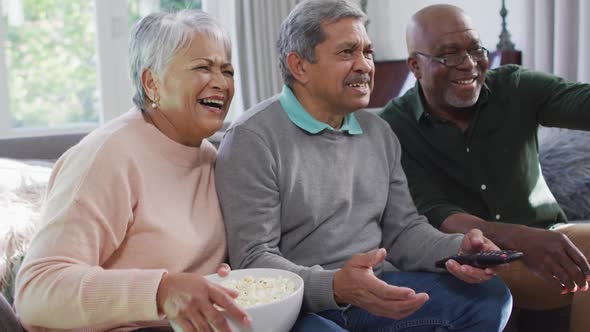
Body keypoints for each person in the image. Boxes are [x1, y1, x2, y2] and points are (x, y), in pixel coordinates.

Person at [215, 0, 512, 331]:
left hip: (374, 292)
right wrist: (335, 285)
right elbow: (254, 259)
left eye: (367, 52)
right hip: (301, 308)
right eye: (347, 53)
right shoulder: (252, 138)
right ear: (299, 66)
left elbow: (403, 230)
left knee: (491, 296)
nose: (365, 65)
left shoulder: (378, 131)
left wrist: (458, 248)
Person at [13, 10, 251, 332]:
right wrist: (161, 291)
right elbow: (36, 292)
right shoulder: (108, 156)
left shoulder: (213, 158)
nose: (221, 83)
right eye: (202, 68)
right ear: (152, 83)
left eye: (227, 70)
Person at [379, 4, 590, 332]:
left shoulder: (514, 86)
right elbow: (435, 212)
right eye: (448, 55)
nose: (468, 64)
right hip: (473, 260)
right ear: (415, 66)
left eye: (475, 49)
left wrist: (534, 238)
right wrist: (518, 238)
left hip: (549, 235)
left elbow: (581, 103)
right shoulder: (393, 127)